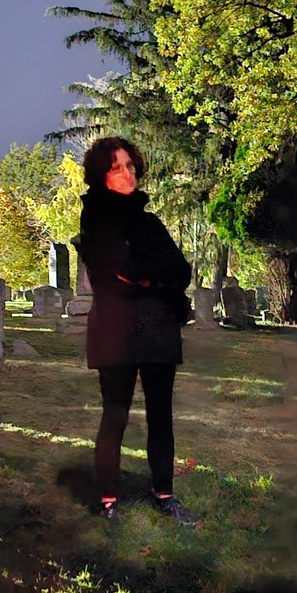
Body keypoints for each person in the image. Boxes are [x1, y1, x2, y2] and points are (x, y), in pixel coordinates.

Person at [75, 137, 196, 523]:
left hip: (159, 328)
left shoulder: (150, 222)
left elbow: (181, 272)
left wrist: (148, 279)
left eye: (130, 166)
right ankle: (108, 497)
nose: (127, 174)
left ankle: (164, 493)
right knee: (115, 414)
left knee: (161, 415)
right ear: (101, 175)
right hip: (116, 328)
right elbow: (117, 270)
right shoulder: (95, 219)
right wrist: (152, 277)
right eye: (116, 167)